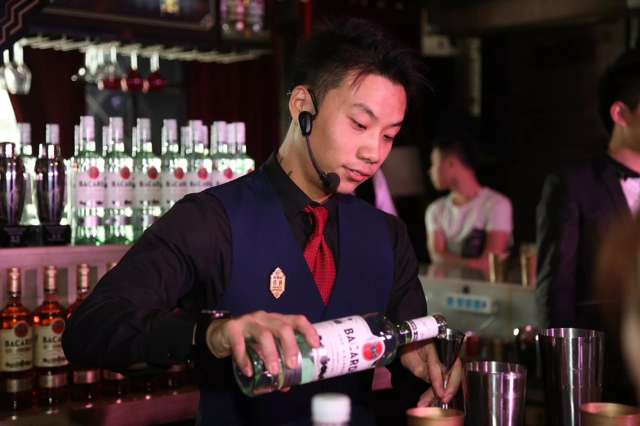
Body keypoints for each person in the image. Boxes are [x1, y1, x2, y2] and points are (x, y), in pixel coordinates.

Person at [62, 18, 462, 426]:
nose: (373, 153)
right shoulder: (211, 220)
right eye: (359, 124)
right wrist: (210, 333)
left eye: (389, 135)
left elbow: (414, 372)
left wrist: (431, 371)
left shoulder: (386, 236)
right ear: (303, 106)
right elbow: (90, 328)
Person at [536, 48, 640, 404]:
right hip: (599, 373)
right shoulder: (573, 184)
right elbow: (556, 289)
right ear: (621, 114)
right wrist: (562, 379)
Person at [425, 132, 513, 272]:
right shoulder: (435, 210)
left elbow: (491, 262)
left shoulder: (497, 204)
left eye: (434, 163)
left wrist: (450, 261)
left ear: (450, 163)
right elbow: (437, 257)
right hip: (445, 286)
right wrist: (477, 264)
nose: (430, 171)